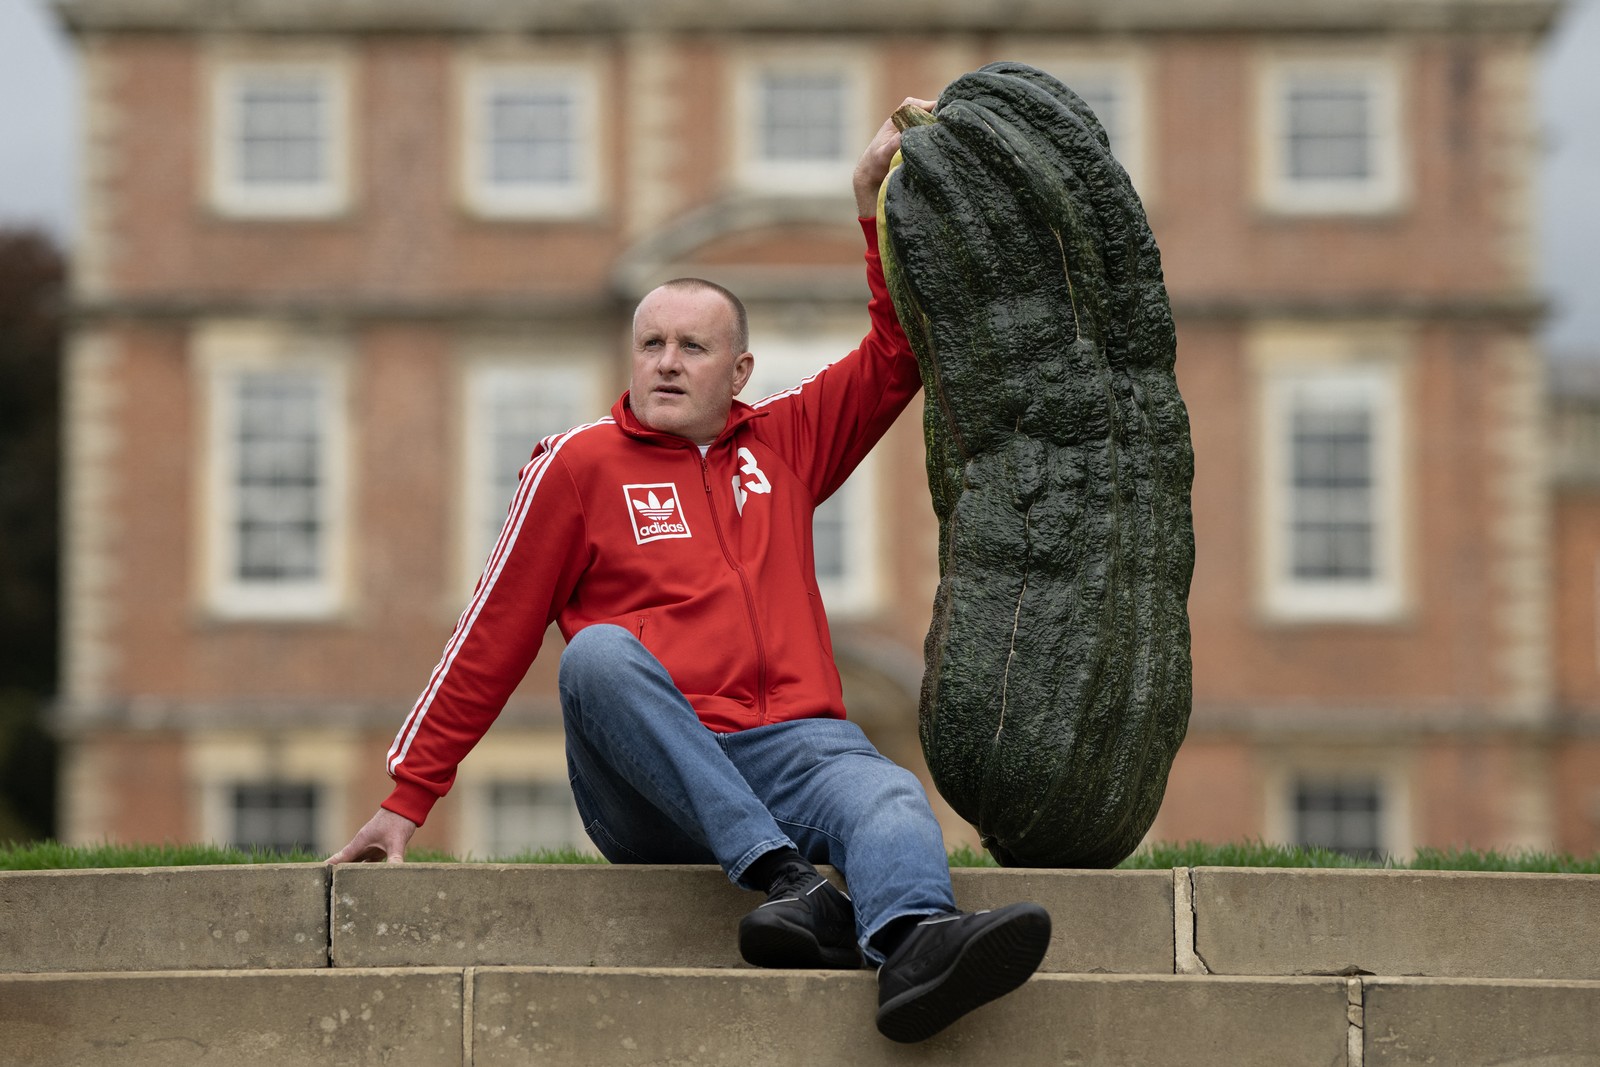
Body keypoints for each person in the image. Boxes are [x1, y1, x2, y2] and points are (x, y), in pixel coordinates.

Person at [328, 97, 1051, 1044]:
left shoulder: (786, 445)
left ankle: (915, 944)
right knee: (596, 660)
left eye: (692, 346)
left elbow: (896, 353)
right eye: (651, 344)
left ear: (740, 369)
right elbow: (490, 635)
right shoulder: (577, 465)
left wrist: (875, 207)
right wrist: (406, 799)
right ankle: (791, 881)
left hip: (795, 747)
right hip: (651, 779)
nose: (665, 363)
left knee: (882, 788)